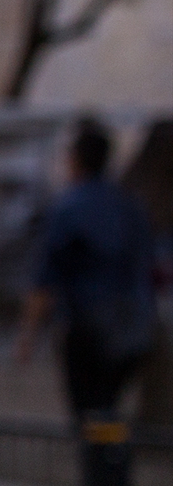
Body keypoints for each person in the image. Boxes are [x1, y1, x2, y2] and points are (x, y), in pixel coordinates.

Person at [15, 117, 159, 418]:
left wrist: (27, 335)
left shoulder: (67, 207)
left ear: (75, 159)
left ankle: (101, 458)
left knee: (89, 408)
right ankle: (112, 454)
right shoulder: (128, 205)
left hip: (86, 327)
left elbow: (44, 277)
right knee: (108, 404)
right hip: (131, 324)